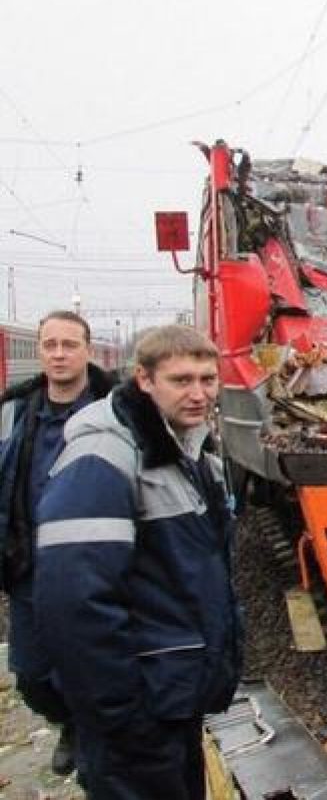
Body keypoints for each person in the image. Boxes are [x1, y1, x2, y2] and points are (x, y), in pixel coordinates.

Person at [33, 324, 241, 800]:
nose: (198, 393)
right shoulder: (104, 456)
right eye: (181, 380)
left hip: (171, 697)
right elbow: (73, 601)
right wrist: (121, 712)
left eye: (208, 380)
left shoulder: (185, 447)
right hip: (138, 710)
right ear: (144, 380)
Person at [0, 311, 116, 776]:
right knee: (31, 674)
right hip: (29, 568)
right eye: (50, 345)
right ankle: (67, 720)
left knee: (95, 666)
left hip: (96, 570)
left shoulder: (117, 411)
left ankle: (92, 736)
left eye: (69, 344)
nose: (58, 354)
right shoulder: (13, 412)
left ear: (88, 350)